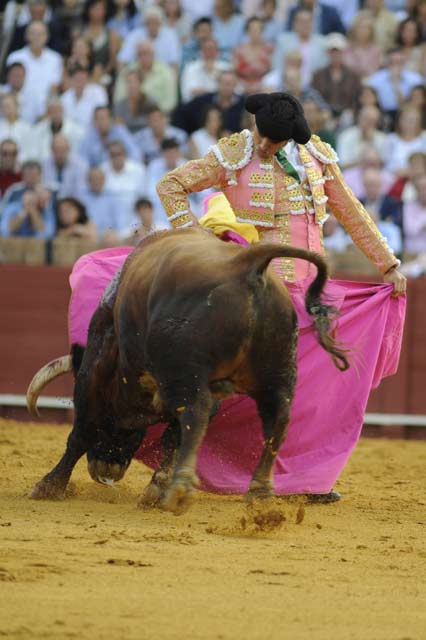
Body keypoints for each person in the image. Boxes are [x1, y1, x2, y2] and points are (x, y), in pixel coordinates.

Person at [68, 93, 406, 503]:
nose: (263, 146)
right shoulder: (235, 152)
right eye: (261, 136)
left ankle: (301, 478)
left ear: (292, 138)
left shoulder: (318, 156)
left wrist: (388, 264)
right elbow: (171, 185)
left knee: (318, 391)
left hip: (305, 287)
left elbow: (351, 212)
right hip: (250, 283)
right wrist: (194, 242)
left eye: (273, 142)